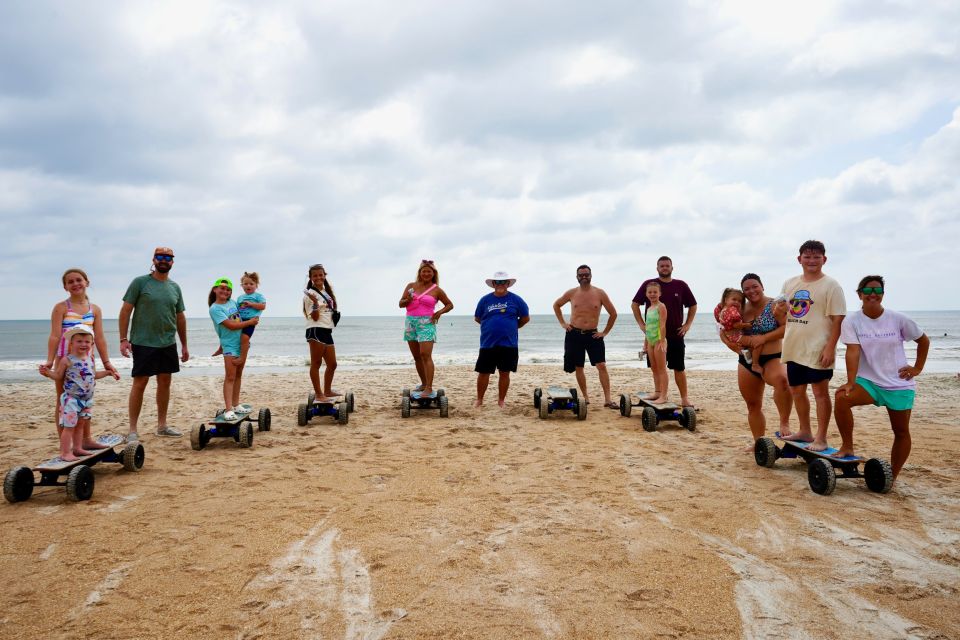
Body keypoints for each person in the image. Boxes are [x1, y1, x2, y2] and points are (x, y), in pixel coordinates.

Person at [834, 276, 929, 482]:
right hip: (869, 382)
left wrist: (917, 368)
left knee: (901, 431)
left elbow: (923, 340)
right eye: (867, 291)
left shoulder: (898, 319)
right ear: (859, 295)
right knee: (842, 397)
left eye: (877, 290)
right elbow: (852, 351)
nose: (872, 295)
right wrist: (851, 382)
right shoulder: (852, 320)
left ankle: (891, 476)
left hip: (898, 384)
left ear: (883, 294)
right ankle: (847, 446)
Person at [777, 240, 845, 451]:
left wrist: (830, 348)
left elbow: (838, 319)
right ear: (799, 259)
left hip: (818, 348)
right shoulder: (789, 283)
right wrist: (779, 308)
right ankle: (805, 430)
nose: (812, 260)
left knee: (820, 393)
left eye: (817, 257)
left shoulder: (831, 285)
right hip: (794, 347)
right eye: (807, 256)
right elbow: (781, 314)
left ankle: (821, 437)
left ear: (824, 259)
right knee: (796, 391)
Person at [119, 247, 189, 442]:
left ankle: (162, 426)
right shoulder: (140, 283)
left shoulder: (175, 287)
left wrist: (184, 345)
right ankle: (132, 430)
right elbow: (125, 311)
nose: (164, 260)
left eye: (168, 257)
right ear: (154, 259)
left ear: (172, 262)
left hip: (167, 342)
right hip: (143, 342)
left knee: (165, 381)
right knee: (140, 383)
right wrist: (123, 339)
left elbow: (180, 317)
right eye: (160, 257)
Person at [44, 268, 118, 449]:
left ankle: (86, 440)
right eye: (70, 282)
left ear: (87, 282)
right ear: (65, 287)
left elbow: (99, 338)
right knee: (64, 399)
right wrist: (49, 361)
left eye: (79, 280)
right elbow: (54, 336)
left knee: (85, 397)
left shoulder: (95, 310)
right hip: (65, 359)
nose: (75, 284)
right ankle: (66, 444)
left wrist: (106, 362)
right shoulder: (61, 308)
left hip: (87, 361)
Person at [718, 274, 793, 451]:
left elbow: (786, 327)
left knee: (783, 382)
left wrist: (763, 338)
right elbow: (725, 329)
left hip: (773, 357)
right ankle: (759, 442)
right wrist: (729, 343)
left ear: (762, 286)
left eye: (755, 286)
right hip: (746, 361)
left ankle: (784, 423)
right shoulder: (738, 309)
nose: (751, 291)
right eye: (747, 289)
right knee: (753, 405)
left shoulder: (775, 304)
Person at [39, 325, 119, 461]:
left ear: (92, 344)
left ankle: (77, 448)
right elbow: (58, 376)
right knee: (69, 427)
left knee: (80, 425)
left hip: (86, 400)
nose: (83, 344)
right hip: (71, 400)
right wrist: (47, 373)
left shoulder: (90, 359)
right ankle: (65, 453)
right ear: (71, 343)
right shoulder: (67, 360)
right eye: (79, 341)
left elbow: (93, 375)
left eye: (87, 341)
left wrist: (107, 373)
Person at [631, 256, 697, 407]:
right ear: (657, 268)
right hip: (654, 337)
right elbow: (635, 304)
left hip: (675, 335)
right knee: (656, 367)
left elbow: (693, 305)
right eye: (662, 266)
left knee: (678, 368)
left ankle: (684, 398)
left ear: (672, 268)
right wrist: (642, 325)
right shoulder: (649, 285)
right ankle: (658, 392)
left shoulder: (680, 285)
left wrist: (687, 324)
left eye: (667, 265)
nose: (664, 268)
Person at [553, 264, 618, 407]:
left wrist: (605, 332)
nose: (584, 277)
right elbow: (556, 305)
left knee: (601, 365)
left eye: (586, 274)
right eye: (581, 275)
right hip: (574, 334)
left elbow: (613, 313)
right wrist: (563, 323)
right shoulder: (572, 293)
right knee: (578, 367)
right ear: (577, 277)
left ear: (591, 275)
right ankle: (586, 397)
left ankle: (608, 399)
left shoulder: (600, 293)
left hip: (593, 335)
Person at [473, 271, 530, 407]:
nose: (500, 284)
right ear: (493, 284)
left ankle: (501, 401)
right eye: (497, 282)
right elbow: (477, 318)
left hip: (509, 344)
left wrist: (512, 328)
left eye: (503, 282)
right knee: (483, 372)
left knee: (505, 373)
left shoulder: (516, 300)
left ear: (508, 284)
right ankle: (479, 400)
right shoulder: (485, 300)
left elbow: (525, 318)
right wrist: (490, 327)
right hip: (488, 343)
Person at [399, 260, 454, 396]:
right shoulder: (411, 286)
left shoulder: (436, 289)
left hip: (427, 322)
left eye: (429, 271)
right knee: (417, 356)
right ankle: (423, 384)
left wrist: (439, 313)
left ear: (433, 273)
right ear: (420, 273)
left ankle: (429, 387)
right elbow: (401, 304)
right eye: (424, 271)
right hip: (410, 322)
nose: (426, 273)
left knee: (425, 355)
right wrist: (407, 300)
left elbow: (449, 304)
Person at [209, 278, 259, 419]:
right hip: (230, 346)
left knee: (238, 375)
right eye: (222, 288)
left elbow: (242, 315)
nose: (225, 291)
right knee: (230, 377)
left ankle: (236, 404)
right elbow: (230, 326)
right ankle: (229, 409)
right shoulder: (215, 308)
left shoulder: (233, 302)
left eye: (228, 289)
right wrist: (250, 322)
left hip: (242, 344)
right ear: (215, 289)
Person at [303, 264, 340, 401]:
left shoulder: (326, 291)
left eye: (320, 275)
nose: (318, 277)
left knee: (332, 364)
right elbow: (315, 317)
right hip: (315, 329)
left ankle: (328, 390)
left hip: (327, 329)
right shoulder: (309, 295)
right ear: (311, 277)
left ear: (324, 275)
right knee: (316, 363)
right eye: (315, 275)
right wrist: (315, 304)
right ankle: (319, 394)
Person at [214, 271, 265, 363]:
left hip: (250, 320)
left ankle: (242, 357)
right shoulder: (240, 298)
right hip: (240, 319)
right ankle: (221, 348)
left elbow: (263, 306)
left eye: (251, 284)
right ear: (242, 285)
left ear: (256, 285)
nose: (248, 286)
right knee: (230, 334)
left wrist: (252, 304)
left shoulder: (258, 296)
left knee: (244, 338)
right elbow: (237, 308)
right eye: (245, 284)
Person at [714, 288, 762, 375]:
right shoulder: (731, 310)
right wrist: (747, 325)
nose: (737, 302)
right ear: (726, 300)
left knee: (747, 348)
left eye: (739, 301)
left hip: (732, 337)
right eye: (734, 299)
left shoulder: (723, 310)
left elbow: (722, 328)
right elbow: (735, 325)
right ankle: (755, 364)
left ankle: (746, 354)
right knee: (758, 343)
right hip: (737, 336)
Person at [639, 281, 669, 403]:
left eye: (655, 292)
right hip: (650, 341)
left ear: (659, 293)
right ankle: (657, 392)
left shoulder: (661, 306)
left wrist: (661, 341)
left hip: (658, 341)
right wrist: (645, 343)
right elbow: (647, 327)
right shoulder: (649, 308)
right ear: (646, 294)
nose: (652, 294)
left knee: (661, 369)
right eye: (650, 292)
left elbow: (662, 325)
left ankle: (664, 395)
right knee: (654, 368)